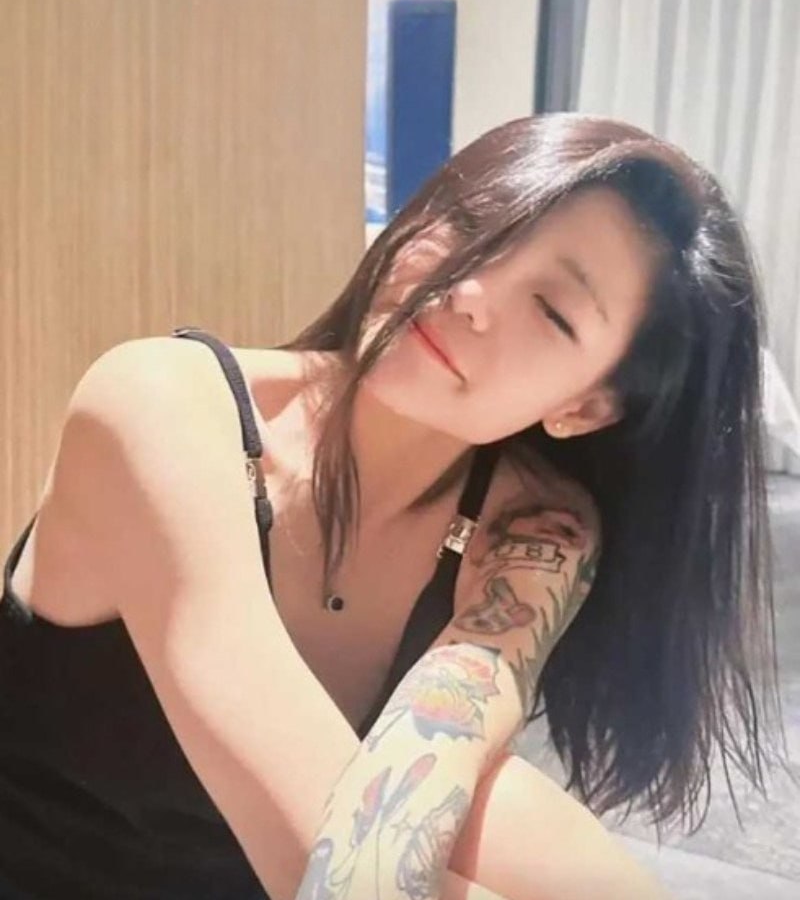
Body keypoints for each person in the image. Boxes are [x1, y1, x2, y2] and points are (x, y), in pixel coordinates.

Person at [0, 113, 782, 900]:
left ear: (583, 408)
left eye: (551, 309)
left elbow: (431, 770)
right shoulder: (161, 405)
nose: (469, 292)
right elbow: (337, 874)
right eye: (472, 224)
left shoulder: (534, 524)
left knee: (529, 823)